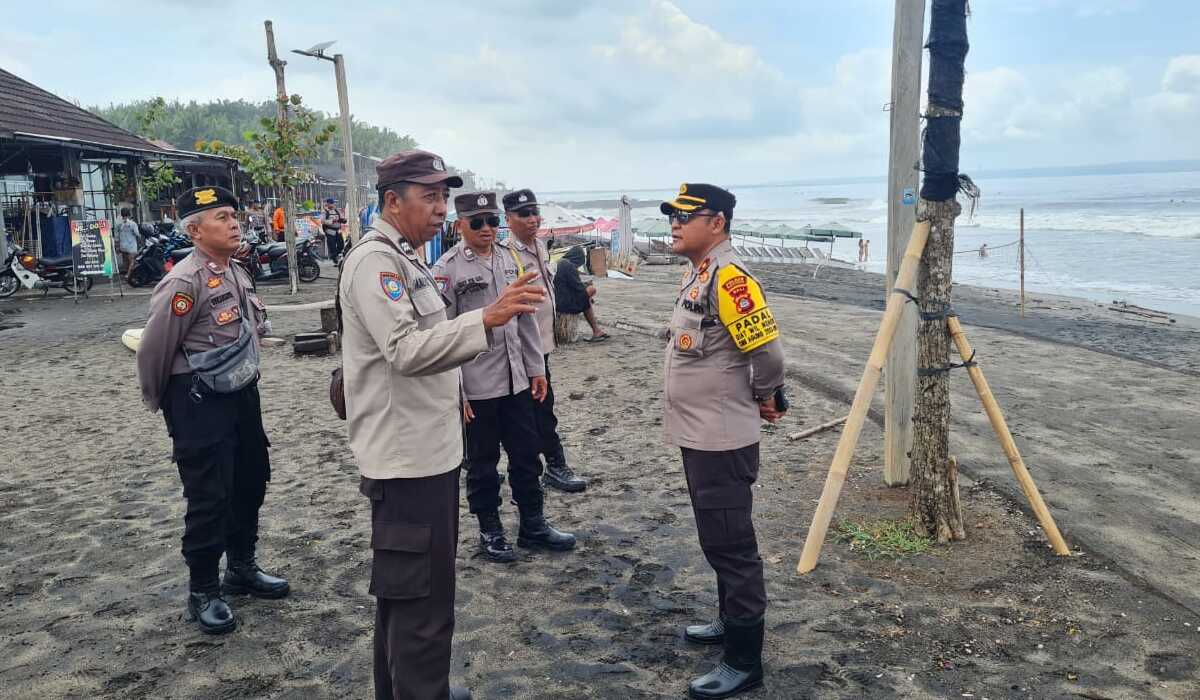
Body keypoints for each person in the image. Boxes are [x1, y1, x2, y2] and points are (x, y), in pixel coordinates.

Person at [339, 151, 545, 700]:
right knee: (421, 602)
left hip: (426, 449)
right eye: (429, 197)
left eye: (442, 197)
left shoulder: (402, 257)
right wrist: (486, 319)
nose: (440, 209)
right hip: (407, 459)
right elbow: (405, 349)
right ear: (392, 201)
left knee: (410, 594)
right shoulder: (376, 262)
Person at [136, 186, 287, 636]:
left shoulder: (237, 271)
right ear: (195, 231)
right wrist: (163, 403)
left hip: (241, 392)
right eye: (222, 217)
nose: (234, 223)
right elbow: (154, 349)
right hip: (198, 399)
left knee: (251, 477)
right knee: (209, 494)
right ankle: (203, 589)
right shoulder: (184, 282)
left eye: (234, 215)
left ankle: (241, 567)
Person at [660, 183, 786, 699]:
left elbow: (768, 355)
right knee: (716, 538)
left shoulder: (731, 279)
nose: (674, 223)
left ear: (717, 223)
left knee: (732, 547)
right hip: (700, 433)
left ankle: (743, 661)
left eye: (685, 216)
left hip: (721, 438)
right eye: (671, 215)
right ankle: (727, 618)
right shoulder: (700, 272)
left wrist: (766, 395)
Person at [433, 191, 576, 564]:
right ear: (460, 225)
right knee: (482, 464)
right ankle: (490, 532)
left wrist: (536, 368)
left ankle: (533, 525)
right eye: (477, 222)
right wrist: (458, 391)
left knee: (527, 455)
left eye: (492, 221)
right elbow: (443, 334)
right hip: (477, 384)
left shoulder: (510, 258)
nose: (487, 228)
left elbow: (525, 318)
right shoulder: (447, 269)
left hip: (517, 379)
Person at [499, 189, 588, 493]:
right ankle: (554, 466)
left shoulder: (539, 247)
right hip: (521, 349)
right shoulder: (505, 254)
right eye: (524, 214)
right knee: (535, 411)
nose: (532, 219)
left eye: (535, 213)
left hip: (542, 347)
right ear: (509, 219)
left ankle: (549, 465)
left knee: (539, 409)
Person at [553, 246, 609, 341]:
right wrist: (587, 285)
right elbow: (578, 288)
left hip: (558, 301)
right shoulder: (568, 265)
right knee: (591, 290)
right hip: (564, 304)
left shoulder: (560, 262)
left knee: (585, 297)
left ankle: (597, 331)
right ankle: (596, 330)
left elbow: (569, 286)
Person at [115, 207, 140, 278]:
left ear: (122, 214)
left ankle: (127, 274)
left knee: (125, 262)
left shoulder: (118, 224)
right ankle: (128, 275)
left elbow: (116, 236)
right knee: (132, 261)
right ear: (129, 214)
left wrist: (117, 246)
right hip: (131, 246)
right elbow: (137, 234)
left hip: (122, 246)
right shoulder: (132, 224)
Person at [322, 197, 346, 263]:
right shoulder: (325, 212)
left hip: (338, 230)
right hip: (330, 231)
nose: (332, 205)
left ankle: (337, 256)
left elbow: (342, 218)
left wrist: (343, 220)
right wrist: (332, 221)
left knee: (341, 245)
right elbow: (323, 221)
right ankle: (335, 259)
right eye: (330, 203)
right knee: (332, 247)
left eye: (332, 203)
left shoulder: (337, 211)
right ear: (327, 204)